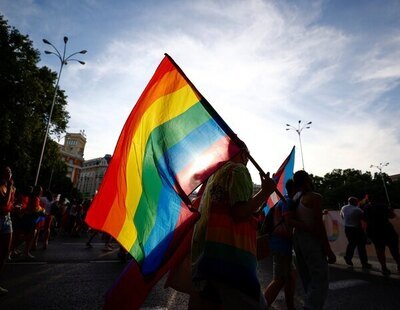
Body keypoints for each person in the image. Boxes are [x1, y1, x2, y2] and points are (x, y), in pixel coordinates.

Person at [190, 141, 276, 309]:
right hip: (231, 260)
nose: (247, 163)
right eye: (247, 159)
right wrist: (265, 191)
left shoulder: (215, 175)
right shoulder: (238, 170)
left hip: (207, 258)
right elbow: (240, 212)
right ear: (243, 154)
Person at [291, 170, 336, 310]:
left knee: (306, 275)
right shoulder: (315, 197)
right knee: (320, 276)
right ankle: (311, 306)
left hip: (297, 239)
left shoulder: (296, 198)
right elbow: (318, 225)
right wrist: (328, 250)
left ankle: (310, 302)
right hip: (310, 238)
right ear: (308, 180)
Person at [264, 179, 297, 310]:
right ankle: (261, 306)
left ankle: (291, 307)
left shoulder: (284, 200)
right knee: (279, 279)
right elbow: (289, 222)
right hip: (281, 244)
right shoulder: (288, 202)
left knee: (290, 277)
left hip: (280, 244)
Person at [364, 195, 400, 275]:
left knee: (379, 250)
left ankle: (384, 267)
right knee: (394, 249)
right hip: (387, 230)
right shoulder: (382, 206)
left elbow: (365, 219)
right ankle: (399, 264)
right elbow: (392, 216)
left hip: (374, 232)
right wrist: (391, 210)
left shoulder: (366, 207)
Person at [340, 197, 371, 269]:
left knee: (351, 243)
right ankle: (364, 263)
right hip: (356, 229)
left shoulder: (344, 208)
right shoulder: (357, 210)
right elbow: (365, 218)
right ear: (355, 202)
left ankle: (348, 257)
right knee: (361, 246)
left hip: (347, 228)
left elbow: (342, 216)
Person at [0, 166, 16, 295]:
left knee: (5, 252)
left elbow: (9, 204)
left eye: (10, 171)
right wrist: (10, 188)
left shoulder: (9, 187)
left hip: (7, 219)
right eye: (7, 171)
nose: (10, 173)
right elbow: (4, 203)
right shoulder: (1, 187)